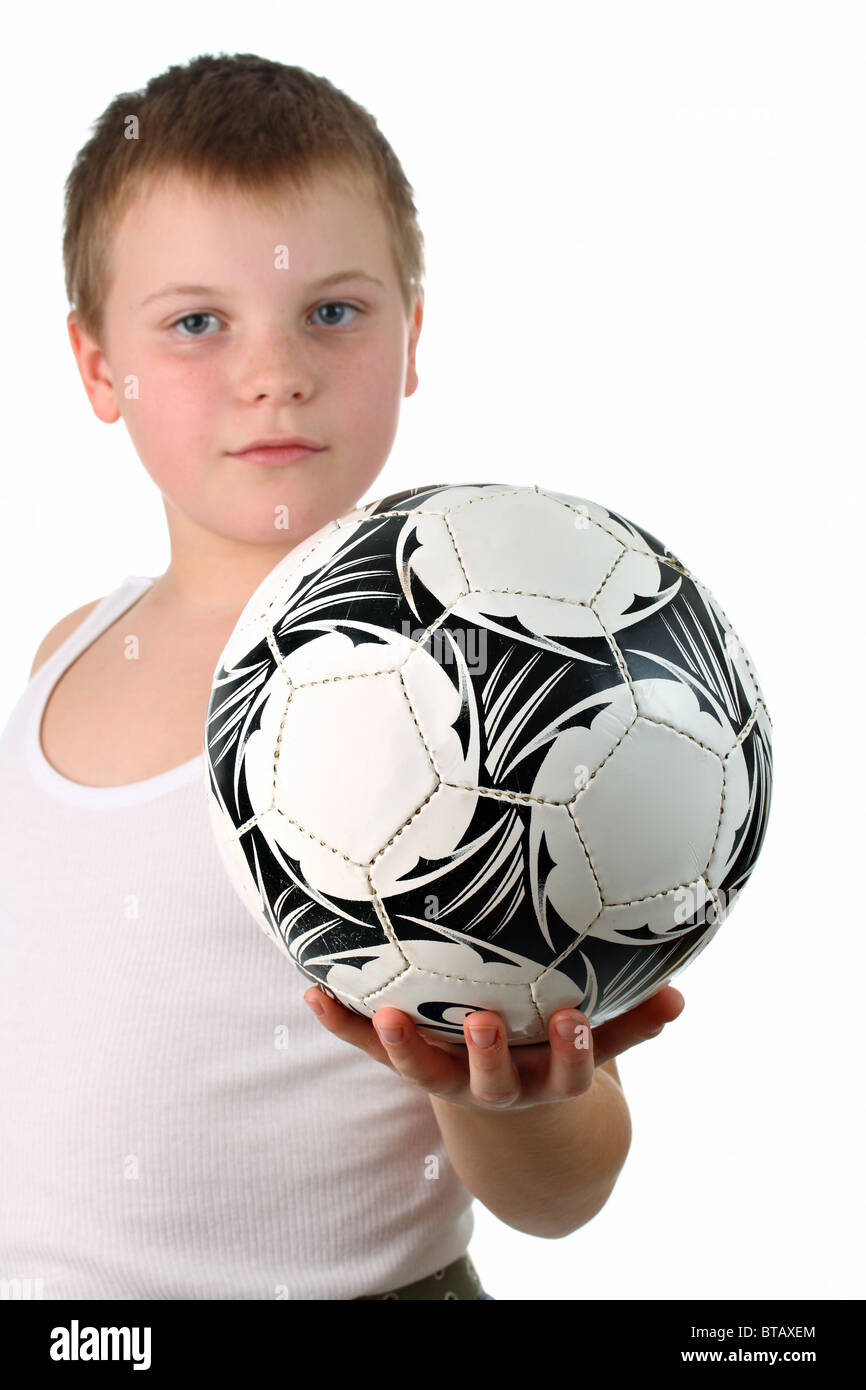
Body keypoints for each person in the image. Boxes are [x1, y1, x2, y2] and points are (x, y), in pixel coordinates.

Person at [0, 53, 684, 1302]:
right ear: (100, 367)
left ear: (410, 336)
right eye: (197, 322)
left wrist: (509, 1103)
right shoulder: (64, 654)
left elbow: (562, 1195)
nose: (276, 373)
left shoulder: (469, 691)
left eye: (332, 311)